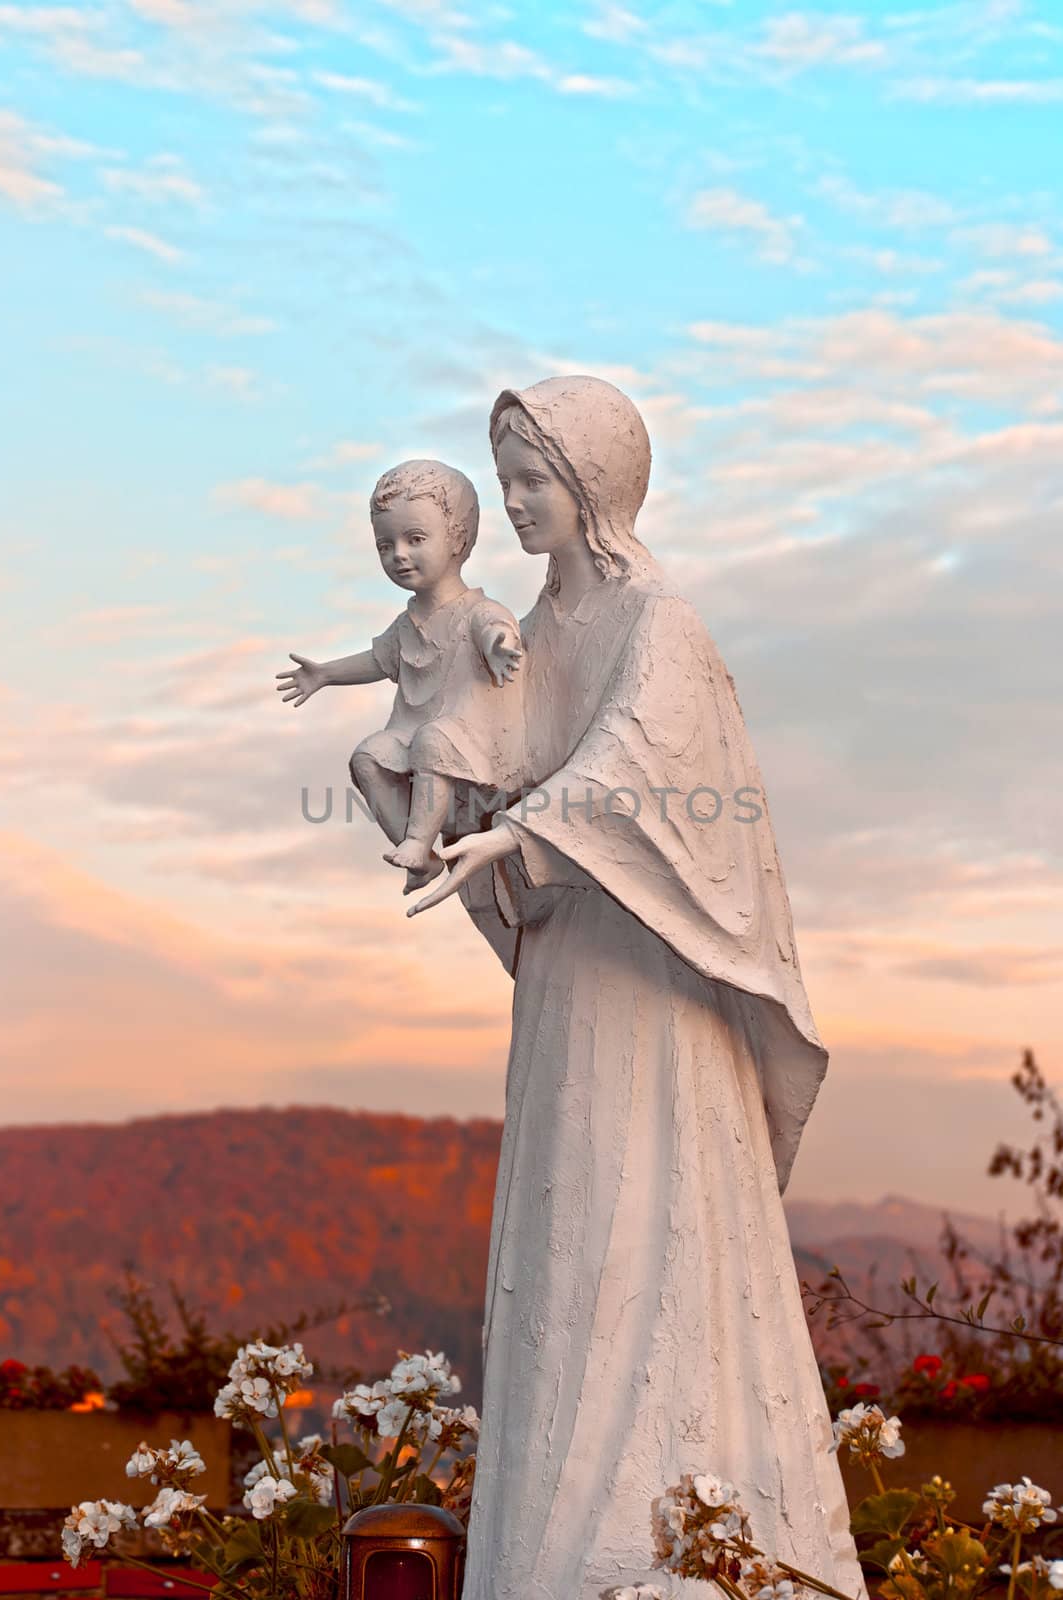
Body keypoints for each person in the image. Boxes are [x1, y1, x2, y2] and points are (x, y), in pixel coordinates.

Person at [407, 378, 867, 1600]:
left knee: (642, 1217)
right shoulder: (534, 626)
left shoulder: (657, 617)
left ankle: (669, 1535)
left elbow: (637, 763)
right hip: (567, 980)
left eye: (533, 481)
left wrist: (524, 832)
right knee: (568, 1236)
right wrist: (442, 799)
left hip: (648, 989)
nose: (510, 504)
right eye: (502, 480)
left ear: (596, 485)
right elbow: (498, 744)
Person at [276, 458, 523, 891]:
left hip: (472, 736)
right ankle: (422, 858)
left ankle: (415, 839)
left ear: (458, 539)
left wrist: (500, 645)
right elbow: (378, 660)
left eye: (415, 539)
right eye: (385, 546)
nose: (399, 555)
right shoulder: (406, 624)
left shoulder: (475, 611)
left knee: (433, 740)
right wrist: (326, 674)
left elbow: (494, 627)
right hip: (412, 731)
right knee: (368, 756)